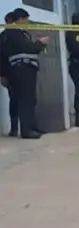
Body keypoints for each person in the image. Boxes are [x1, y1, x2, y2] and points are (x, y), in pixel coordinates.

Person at [3, 8, 48, 139]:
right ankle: (26, 130)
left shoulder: (18, 34)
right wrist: (40, 43)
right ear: (20, 20)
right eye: (26, 19)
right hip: (22, 69)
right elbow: (28, 48)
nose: (27, 22)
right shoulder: (13, 33)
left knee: (26, 100)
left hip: (22, 70)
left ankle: (30, 127)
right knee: (25, 100)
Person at [1, 12, 15, 136]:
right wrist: (2, 76)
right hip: (10, 73)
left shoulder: (19, 34)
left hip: (20, 72)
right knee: (14, 101)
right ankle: (15, 128)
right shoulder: (4, 36)